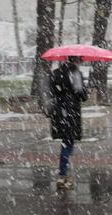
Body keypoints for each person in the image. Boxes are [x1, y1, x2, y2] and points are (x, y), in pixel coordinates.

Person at [49, 56, 88, 189]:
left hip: (59, 113)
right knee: (67, 144)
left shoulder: (55, 73)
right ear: (77, 61)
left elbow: (51, 92)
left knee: (66, 143)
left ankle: (63, 175)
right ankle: (62, 176)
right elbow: (83, 96)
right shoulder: (76, 74)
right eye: (80, 62)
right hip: (71, 113)